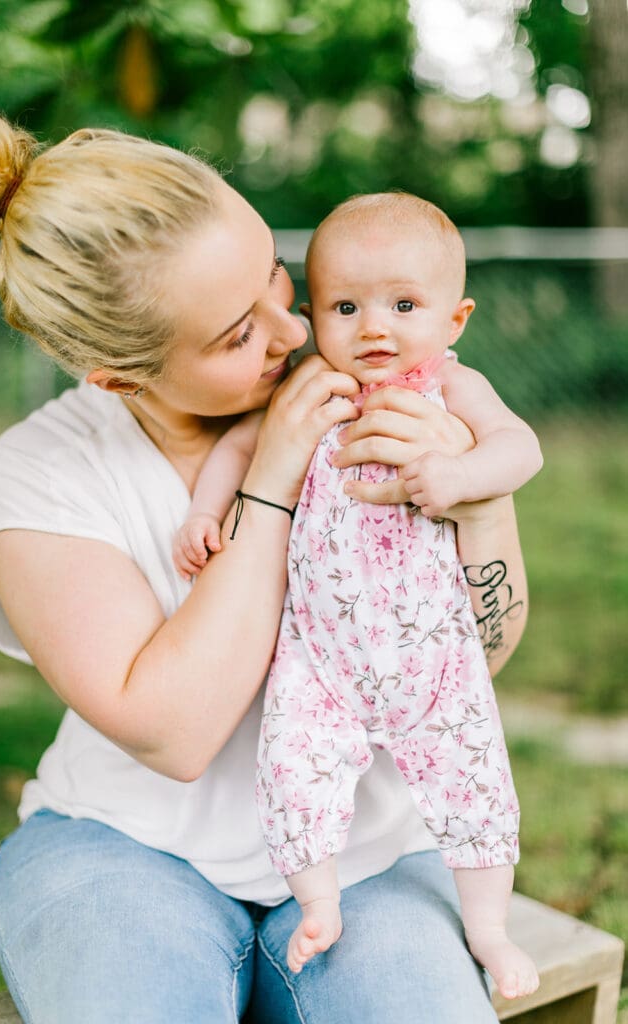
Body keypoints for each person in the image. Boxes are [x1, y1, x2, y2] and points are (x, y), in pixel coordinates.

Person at [0, 111, 531, 1024]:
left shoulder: (382, 397)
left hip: (371, 851)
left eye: (273, 276)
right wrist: (268, 484)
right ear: (116, 375)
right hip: (130, 848)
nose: (292, 327)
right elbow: (173, 734)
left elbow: (474, 657)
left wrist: (477, 497)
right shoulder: (45, 472)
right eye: (233, 336)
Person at [173, 193, 542, 997]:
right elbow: (241, 444)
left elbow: (521, 447)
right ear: (314, 314)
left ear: (454, 318)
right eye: (345, 307)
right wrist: (207, 511)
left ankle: (488, 928)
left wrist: (462, 477)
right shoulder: (314, 387)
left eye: (403, 305)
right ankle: (318, 904)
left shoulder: (451, 387)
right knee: (294, 768)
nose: (373, 328)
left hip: (433, 654)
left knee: (474, 782)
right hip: (320, 654)